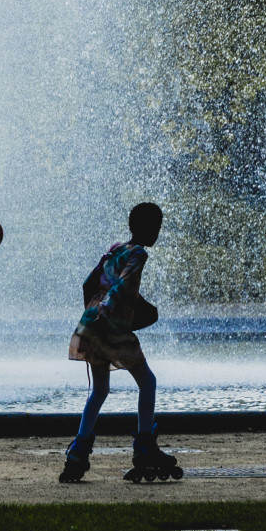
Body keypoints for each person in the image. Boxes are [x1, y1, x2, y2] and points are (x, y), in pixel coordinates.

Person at [59, 202, 180, 484]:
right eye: (156, 227)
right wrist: (108, 309)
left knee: (99, 390)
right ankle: (144, 448)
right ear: (147, 229)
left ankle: (77, 454)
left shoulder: (115, 249)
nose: (158, 232)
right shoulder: (138, 253)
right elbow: (122, 285)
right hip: (110, 324)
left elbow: (89, 283)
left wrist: (92, 312)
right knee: (147, 382)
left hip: (90, 324)